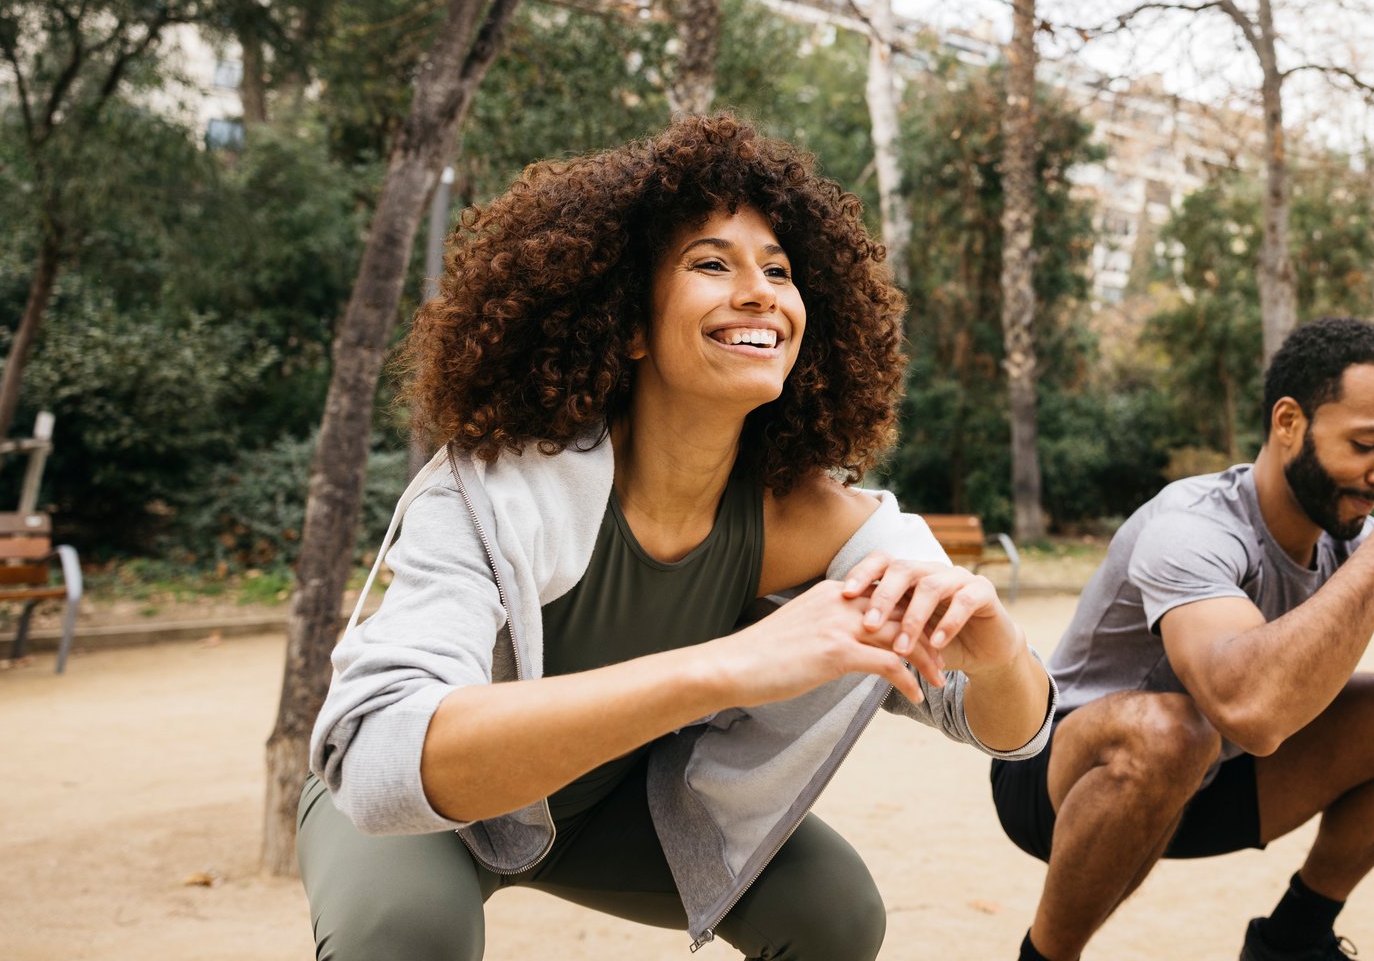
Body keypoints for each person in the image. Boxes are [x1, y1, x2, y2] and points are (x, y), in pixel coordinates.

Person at [301, 115, 1055, 960]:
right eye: (711, 263)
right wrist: (725, 666)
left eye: (779, 270)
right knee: (407, 932)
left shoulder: (820, 522)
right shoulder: (494, 488)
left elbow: (1009, 729)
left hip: (604, 814)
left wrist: (999, 656)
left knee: (832, 910)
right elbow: (382, 758)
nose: (761, 291)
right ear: (628, 324)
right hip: (424, 813)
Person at [991, 317, 1374, 961]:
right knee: (1171, 731)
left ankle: (1293, 943)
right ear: (1287, 422)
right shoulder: (1192, 526)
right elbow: (1251, 712)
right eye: (1367, 443)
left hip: (1212, 779)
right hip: (1061, 780)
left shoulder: (1360, 543)